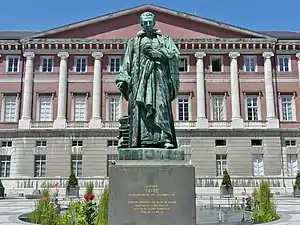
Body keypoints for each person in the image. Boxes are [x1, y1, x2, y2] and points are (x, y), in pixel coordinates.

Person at [115, 11, 180, 149]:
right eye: (145, 22)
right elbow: (127, 63)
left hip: (159, 77)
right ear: (141, 23)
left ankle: (166, 138)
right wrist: (124, 79)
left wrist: (161, 53)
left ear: (154, 22)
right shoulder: (134, 42)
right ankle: (143, 141)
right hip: (140, 80)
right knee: (142, 109)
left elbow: (175, 56)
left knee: (161, 106)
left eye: (150, 22)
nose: (148, 24)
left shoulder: (164, 40)